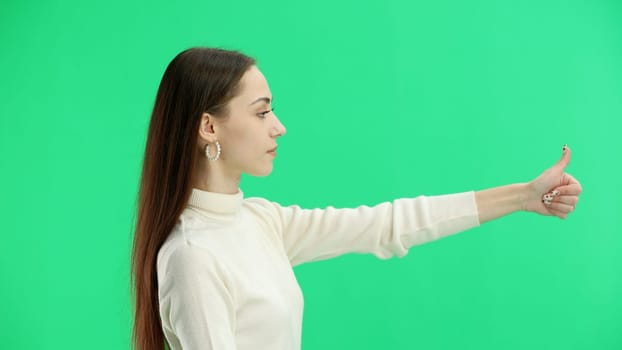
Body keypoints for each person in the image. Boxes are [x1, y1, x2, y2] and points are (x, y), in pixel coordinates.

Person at [131, 47, 583, 350]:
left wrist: (524, 195)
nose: (278, 126)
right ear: (209, 127)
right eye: (262, 111)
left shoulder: (260, 221)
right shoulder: (192, 257)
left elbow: (390, 225)